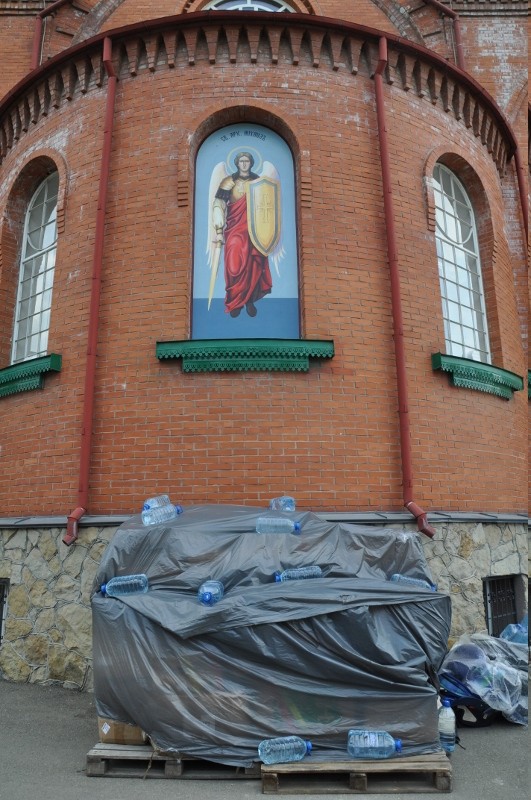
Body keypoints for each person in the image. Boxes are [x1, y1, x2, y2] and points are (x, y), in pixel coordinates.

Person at [213, 152, 273, 317]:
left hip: (254, 230)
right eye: (241, 161)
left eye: (247, 161)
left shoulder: (258, 181)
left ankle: (249, 300)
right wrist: (219, 230)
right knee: (234, 266)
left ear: (251, 163)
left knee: (253, 266)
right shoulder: (228, 182)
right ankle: (235, 301)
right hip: (234, 230)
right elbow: (219, 204)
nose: (244, 164)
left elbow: (267, 204)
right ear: (237, 163)